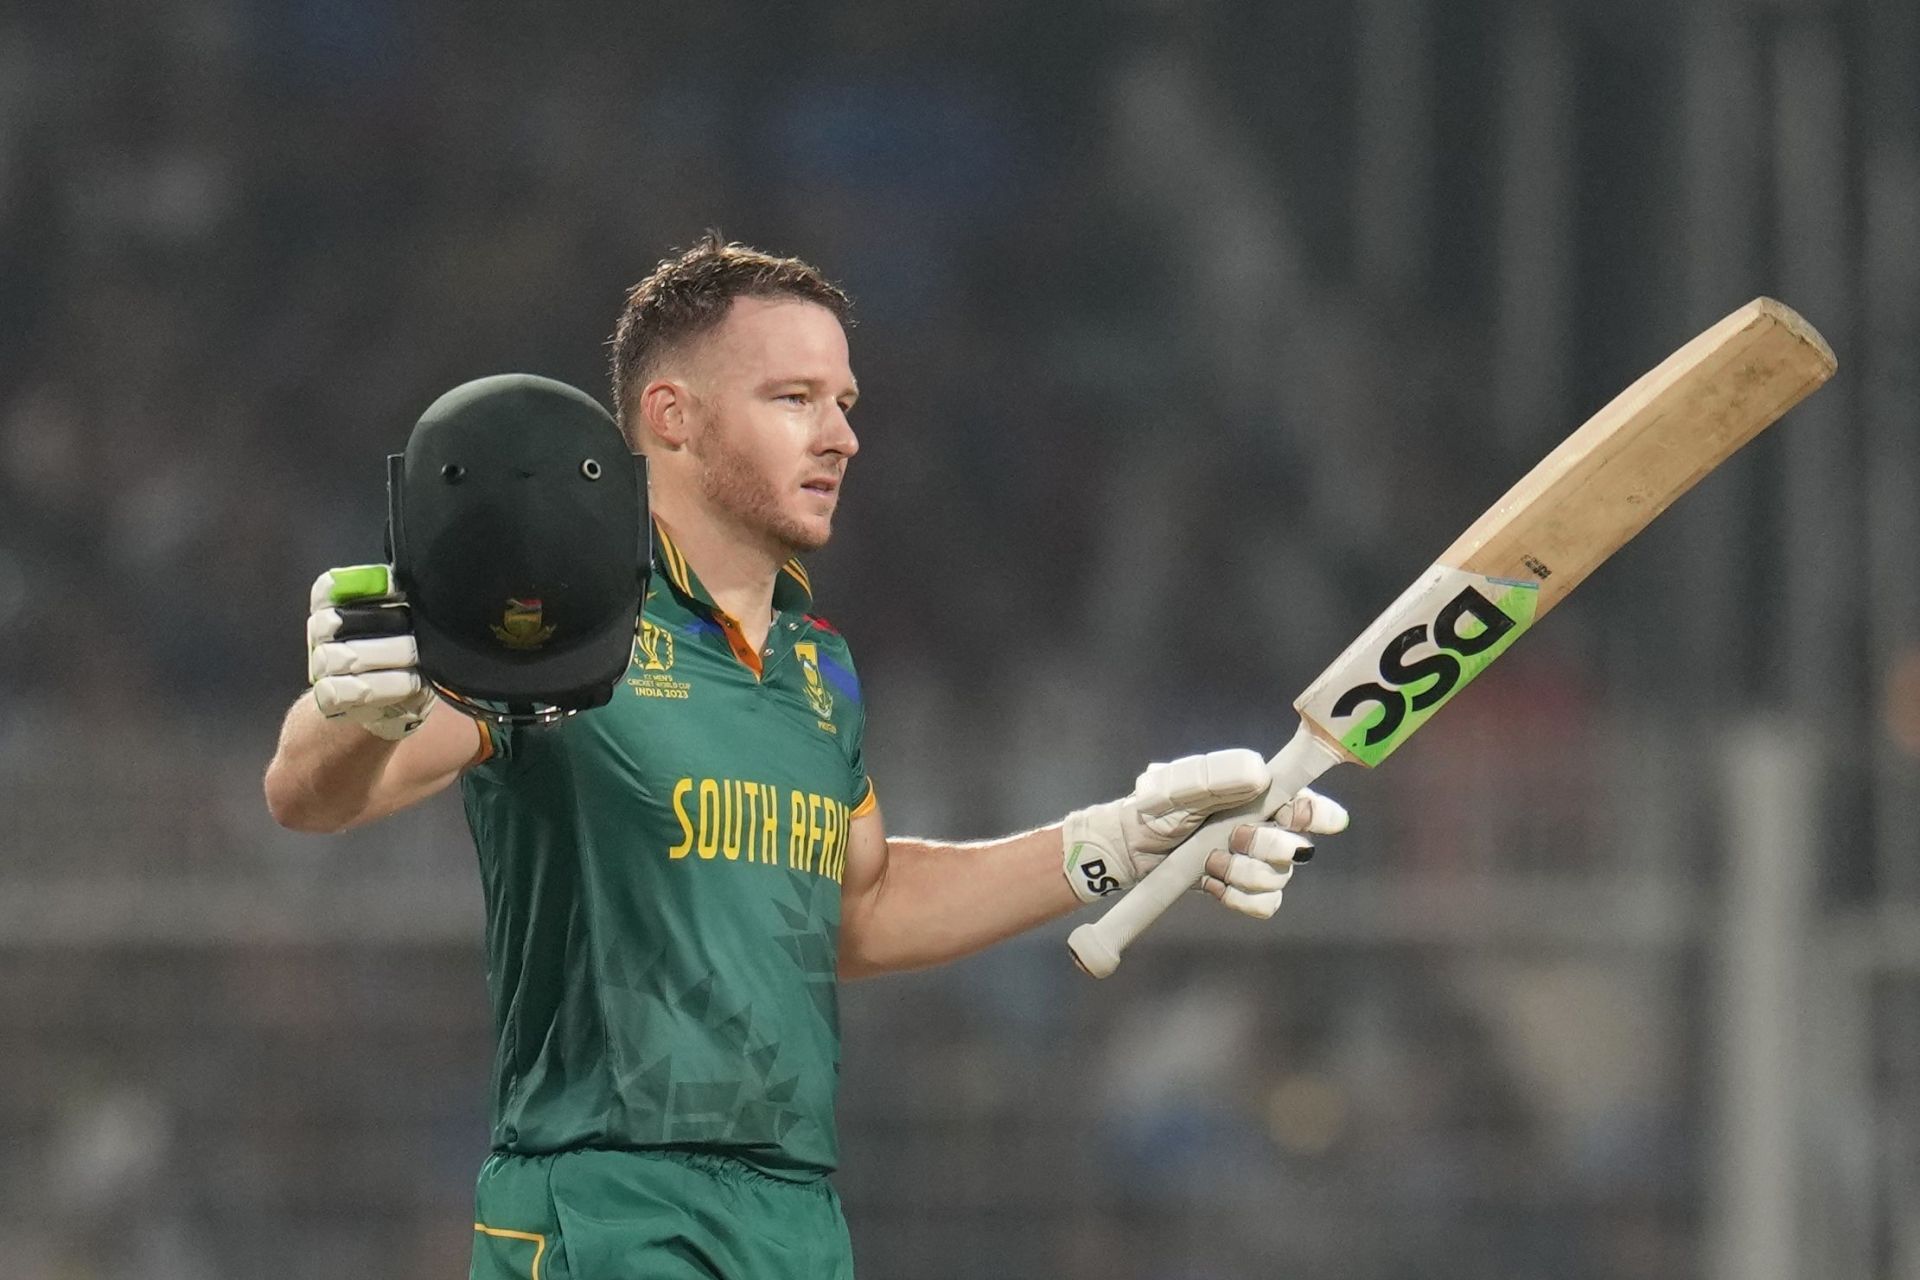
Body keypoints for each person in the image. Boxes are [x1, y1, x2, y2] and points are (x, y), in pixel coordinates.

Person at [263, 233, 1349, 1280]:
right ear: (670, 417)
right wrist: (354, 705)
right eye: (794, 399)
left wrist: (1115, 839)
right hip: (607, 1204)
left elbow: (857, 910)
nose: (841, 436)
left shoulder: (816, 666)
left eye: (844, 404)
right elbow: (312, 795)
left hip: (792, 1217)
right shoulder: (561, 617)